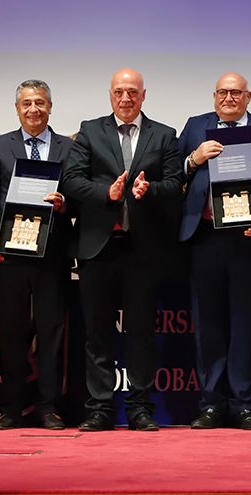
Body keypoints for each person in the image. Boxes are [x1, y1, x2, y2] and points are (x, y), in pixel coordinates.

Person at [61, 68, 181, 431]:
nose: (125, 99)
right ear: (110, 95)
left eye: (132, 92)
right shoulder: (90, 131)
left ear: (144, 95)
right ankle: (99, 408)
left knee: (142, 331)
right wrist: (107, 193)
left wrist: (151, 191)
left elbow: (176, 183)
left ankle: (140, 407)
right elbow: (71, 180)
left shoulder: (164, 135)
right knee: (98, 332)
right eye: (119, 92)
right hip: (99, 247)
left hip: (143, 249)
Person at [178, 71, 251, 430]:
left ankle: (243, 405)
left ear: (248, 97)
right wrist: (193, 158)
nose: (229, 98)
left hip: (248, 238)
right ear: (214, 96)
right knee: (208, 325)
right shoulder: (195, 126)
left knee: (245, 324)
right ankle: (211, 404)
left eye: (236, 93)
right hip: (205, 236)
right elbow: (172, 173)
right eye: (223, 92)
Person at [0, 80, 73, 430]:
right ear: (17, 109)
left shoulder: (68, 147)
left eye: (40, 103)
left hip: (52, 253)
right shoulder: (1, 146)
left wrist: (65, 204)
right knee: (12, 331)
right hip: (9, 254)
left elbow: (77, 192)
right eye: (27, 103)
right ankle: (12, 407)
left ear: (51, 107)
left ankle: (49, 407)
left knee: (51, 331)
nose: (34, 109)